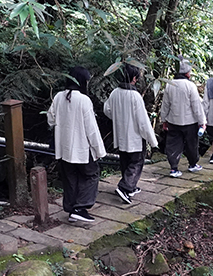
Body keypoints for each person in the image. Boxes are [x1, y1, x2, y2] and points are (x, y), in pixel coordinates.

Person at [48, 66, 106, 222]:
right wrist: (99, 150)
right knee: (91, 174)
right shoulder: (83, 100)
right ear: (82, 82)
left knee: (70, 177)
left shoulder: (59, 97)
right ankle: (81, 207)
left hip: (64, 147)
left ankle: (72, 208)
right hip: (82, 147)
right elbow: (91, 129)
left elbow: (50, 119)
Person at [104, 64, 158, 205]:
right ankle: (125, 187)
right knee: (136, 162)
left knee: (125, 161)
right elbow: (143, 122)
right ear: (134, 78)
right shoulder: (135, 96)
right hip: (135, 136)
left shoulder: (115, 92)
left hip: (121, 134)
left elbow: (107, 109)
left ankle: (130, 187)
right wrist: (153, 141)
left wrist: (117, 118)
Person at [160, 60, 206, 177]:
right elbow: (196, 106)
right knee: (192, 144)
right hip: (190, 121)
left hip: (173, 121)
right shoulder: (190, 86)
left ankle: (173, 168)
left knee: (173, 144)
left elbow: (165, 105)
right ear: (187, 73)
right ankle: (192, 164)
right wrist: (202, 122)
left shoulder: (169, 84)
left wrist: (163, 120)